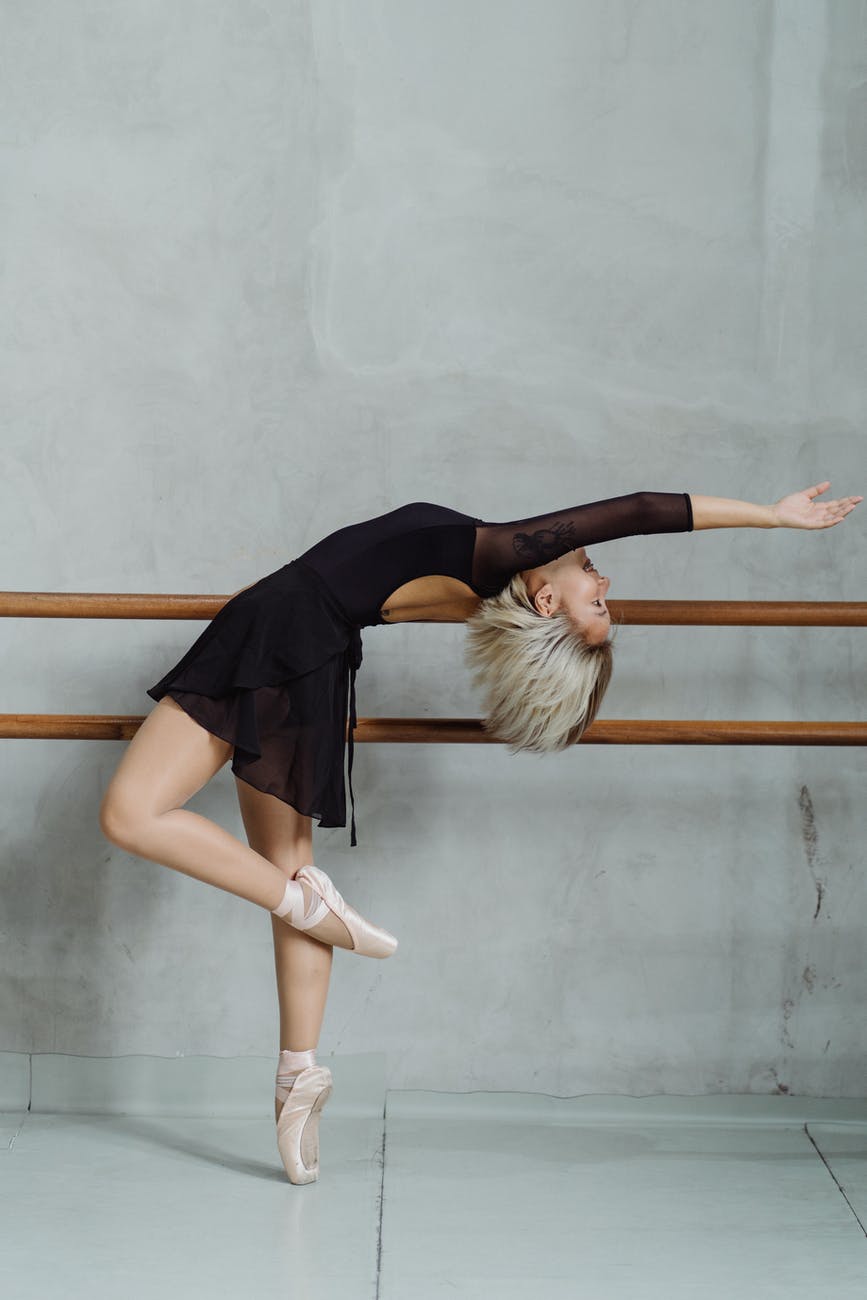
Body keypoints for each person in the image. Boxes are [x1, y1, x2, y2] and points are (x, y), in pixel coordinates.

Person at [97, 480, 861, 1183]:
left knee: (137, 816)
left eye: (597, 605)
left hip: (278, 626)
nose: (604, 586)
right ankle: (298, 1073)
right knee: (292, 869)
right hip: (317, 655)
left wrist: (773, 517)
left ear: (548, 602)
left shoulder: (503, 554)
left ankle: (309, 909)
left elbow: (637, 511)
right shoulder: (490, 588)